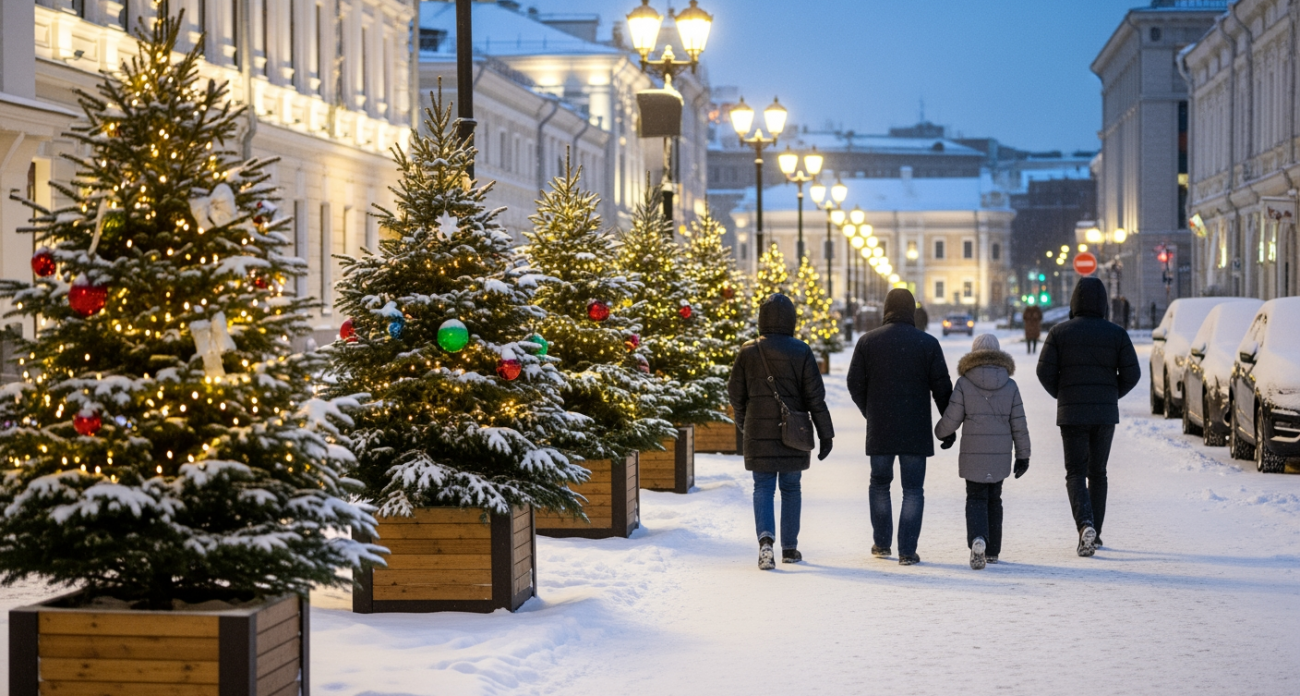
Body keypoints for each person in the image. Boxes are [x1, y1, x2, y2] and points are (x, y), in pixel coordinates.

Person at [846, 288, 953, 566]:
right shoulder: (927, 344)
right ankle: (907, 550)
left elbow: (854, 383)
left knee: (880, 484)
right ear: (912, 311)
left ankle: (882, 544)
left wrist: (870, 411)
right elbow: (942, 388)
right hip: (915, 427)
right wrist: (948, 425)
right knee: (913, 489)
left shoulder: (868, 342)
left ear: (886, 310)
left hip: (880, 427)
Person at [729, 294, 834, 570]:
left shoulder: (748, 351)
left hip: (758, 431)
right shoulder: (801, 351)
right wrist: (826, 434)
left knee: (762, 487)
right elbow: (815, 397)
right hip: (794, 433)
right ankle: (790, 548)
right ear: (791, 319)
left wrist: (745, 421)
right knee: (791, 487)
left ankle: (765, 542)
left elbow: (735, 394)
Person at [1036, 277, 1140, 557]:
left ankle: (1085, 524)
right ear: (1104, 303)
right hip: (1104, 414)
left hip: (1072, 414)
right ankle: (1096, 532)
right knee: (1099, 472)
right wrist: (1110, 395)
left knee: (1075, 472)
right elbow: (1133, 374)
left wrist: (1064, 394)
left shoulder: (1059, 333)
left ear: (1073, 302)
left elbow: (1043, 372)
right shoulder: (1116, 334)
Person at [934, 334, 1031, 569]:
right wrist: (1023, 455)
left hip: (973, 454)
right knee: (994, 499)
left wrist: (941, 433)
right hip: (1000, 455)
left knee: (975, 497)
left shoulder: (965, 383)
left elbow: (951, 418)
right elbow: (1019, 423)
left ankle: (978, 538)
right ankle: (994, 550)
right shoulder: (1010, 385)